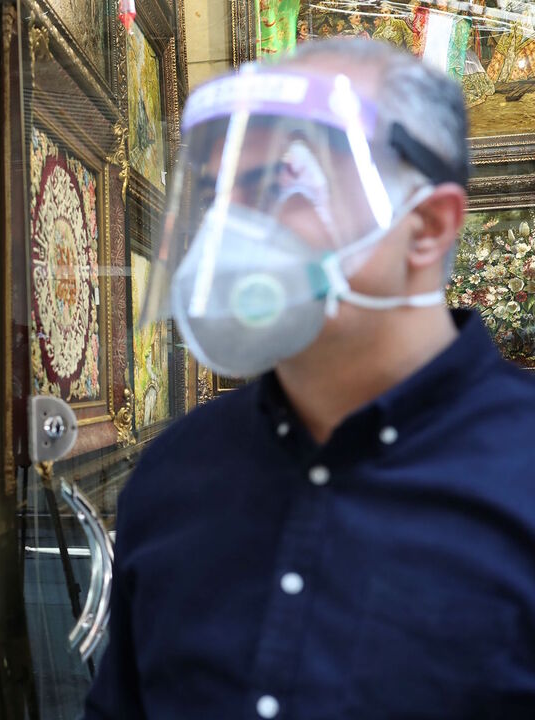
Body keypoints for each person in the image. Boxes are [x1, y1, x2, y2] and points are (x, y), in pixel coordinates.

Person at [86, 39, 535, 719]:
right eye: (218, 195)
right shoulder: (175, 475)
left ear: (427, 227)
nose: (233, 231)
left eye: (284, 185)